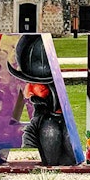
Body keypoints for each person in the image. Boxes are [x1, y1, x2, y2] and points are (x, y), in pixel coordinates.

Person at [8, 34, 79, 166]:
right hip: (46, 120)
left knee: (64, 144)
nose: (29, 91)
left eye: (37, 84)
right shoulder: (33, 92)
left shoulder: (51, 91)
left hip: (56, 119)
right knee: (50, 134)